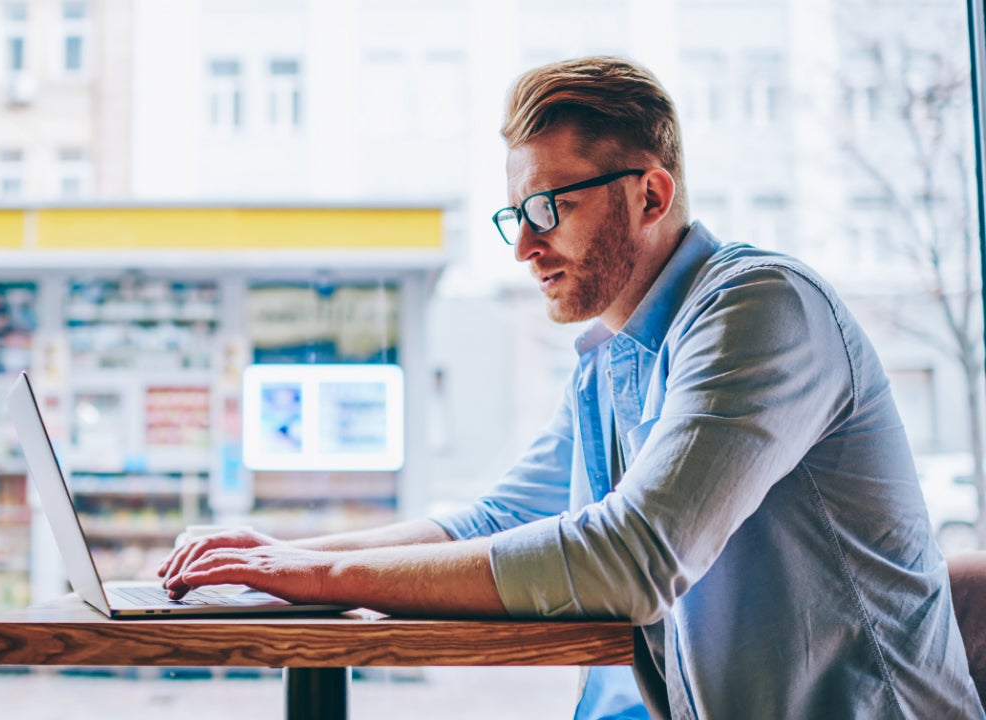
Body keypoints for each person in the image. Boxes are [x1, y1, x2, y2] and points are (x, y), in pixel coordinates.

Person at [159, 56, 982, 718]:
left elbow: (632, 559)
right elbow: (497, 520)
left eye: (547, 208)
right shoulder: (612, 357)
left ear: (650, 193)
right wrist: (278, 557)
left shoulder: (761, 307)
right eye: (515, 214)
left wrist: (321, 580)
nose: (524, 247)